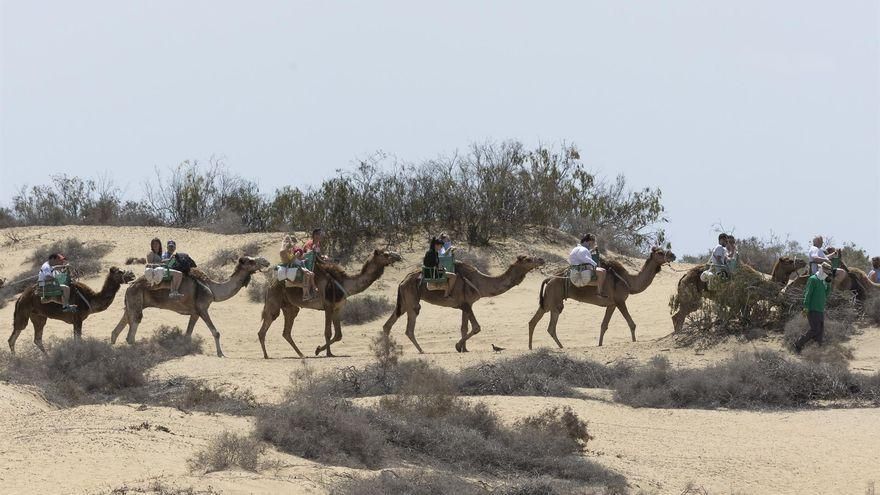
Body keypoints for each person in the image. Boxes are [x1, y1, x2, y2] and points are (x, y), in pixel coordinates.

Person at [794, 262, 833, 353]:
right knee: (815, 329)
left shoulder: (823, 281)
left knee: (820, 331)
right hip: (812, 309)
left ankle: (816, 351)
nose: (827, 274)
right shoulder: (813, 279)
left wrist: (828, 284)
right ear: (821, 270)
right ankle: (798, 344)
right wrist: (806, 307)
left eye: (828, 273)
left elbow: (826, 294)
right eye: (826, 272)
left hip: (820, 309)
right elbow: (807, 294)